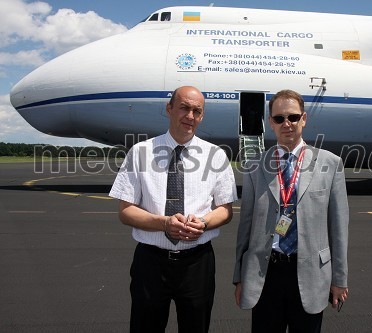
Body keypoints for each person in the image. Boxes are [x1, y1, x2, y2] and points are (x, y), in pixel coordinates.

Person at [109, 86, 238, 333]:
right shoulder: (140, 152)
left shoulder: (217, 156)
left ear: (202, 116)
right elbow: (125, 211)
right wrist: (164, 223)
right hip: (151, 262)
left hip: (197, 264)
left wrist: (204, 223)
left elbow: (225, 209)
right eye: (184, 108)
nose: (190, 116)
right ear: (169, 109)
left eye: (197, 111)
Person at [233, 89, 349, 332]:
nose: (287, 124)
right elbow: (245, 226)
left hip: (310, 272)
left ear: (304, 119)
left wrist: (339, 279)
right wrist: (239, 276)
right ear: (270, 123)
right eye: (279, 118)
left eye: (293, 117)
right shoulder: (255, 166)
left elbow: (338, 228)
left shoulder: (330, 163)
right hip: (265, 274)